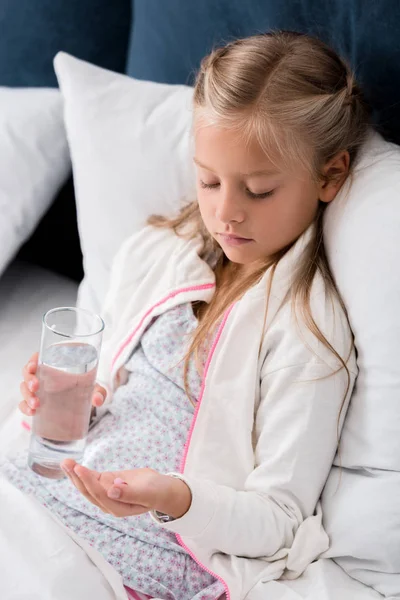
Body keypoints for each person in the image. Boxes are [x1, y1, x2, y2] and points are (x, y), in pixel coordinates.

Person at [10, 30, 370, 600]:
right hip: (44, 489)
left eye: (258, 190)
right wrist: (63, 403)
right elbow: (108, 382)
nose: (225, 212)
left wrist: (174, 497)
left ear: (329, 176)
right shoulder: (158, 253)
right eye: (209, 180)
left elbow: (278, 517)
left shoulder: (306, 331)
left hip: (136, 549)